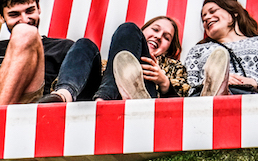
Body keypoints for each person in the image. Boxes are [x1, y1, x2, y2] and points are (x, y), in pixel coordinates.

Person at [38, 16, 189, 102]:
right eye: (155, 30)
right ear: (141, 33)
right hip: (90, 101)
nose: (158, 36)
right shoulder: (106, 63)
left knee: (127, 29)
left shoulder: (173, 67)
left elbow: (183, 107)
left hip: (145, 104)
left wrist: (164, 83)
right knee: (85, 44)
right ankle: (62, 96)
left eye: (166, 37)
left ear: (169, 48)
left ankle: (106, 99)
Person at [0, 0, 73, 105]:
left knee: (25, 32)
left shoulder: (63, 48)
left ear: (39, 8)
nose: (24, 20)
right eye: (14, 14)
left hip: (34, 107)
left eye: (30, 11)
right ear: (1, 17)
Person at [184, 0, 258, 95]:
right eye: (204, 18)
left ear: (234, 12)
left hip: (254, 97)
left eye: (213, 11)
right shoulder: (198, 50)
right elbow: (187, 91)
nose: (206, 18)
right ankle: (216, 89)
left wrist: (255, 84)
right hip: (209, 99)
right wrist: (208, 83)